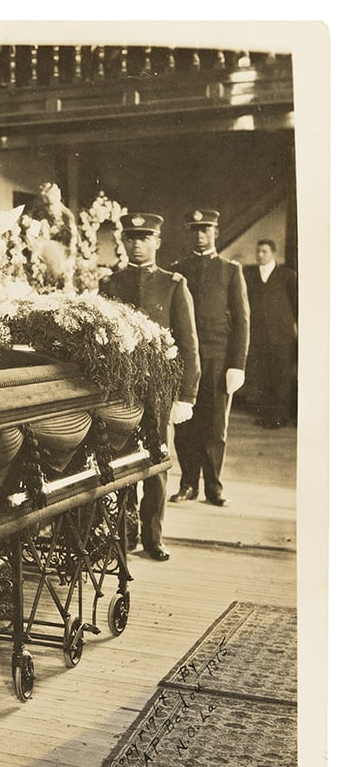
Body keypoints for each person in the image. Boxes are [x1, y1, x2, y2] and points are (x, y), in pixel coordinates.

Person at [100, 213, 201, 562]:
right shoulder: (110, 284)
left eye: (144, 238)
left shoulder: (174, 284)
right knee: (122, 460)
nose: (136, 244)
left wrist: (186, 395)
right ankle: (124, 535)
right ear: (123, 242)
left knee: (157, 461)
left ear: (157, 242)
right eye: (130, 238)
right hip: (122, 391)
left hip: (159, 391)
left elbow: (188, 345)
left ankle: (152, 536)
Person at [169, 208, 250, 507]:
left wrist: (237, 364)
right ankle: (188, 483)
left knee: (215, 425)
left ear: (216, 232)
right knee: (185, 424)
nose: (200, 235)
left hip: (217, 359)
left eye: (206, 229)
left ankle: (214, 486)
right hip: (186, 361)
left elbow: (242, 320)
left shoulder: (230, 270)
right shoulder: (178, 270)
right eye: (195, 230)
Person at [244, 239, 298, 428]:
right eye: (258, 251)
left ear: (273, 253)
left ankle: (280, 417)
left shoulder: (287, 276)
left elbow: (296, 305)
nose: (259, 255)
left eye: (264, 252)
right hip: (259, 337)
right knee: (263, 377)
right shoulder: (249, 276)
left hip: (282, 337)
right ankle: (267, 415)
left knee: (281, 378)